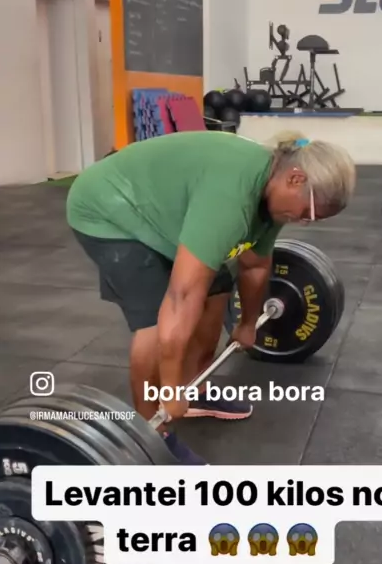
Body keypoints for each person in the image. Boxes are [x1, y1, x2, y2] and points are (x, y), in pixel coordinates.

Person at [66, 130, 355, 463]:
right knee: (155, 317)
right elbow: (182, 296)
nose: (304, 222)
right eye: (307, 213)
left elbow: (255, 263)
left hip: (164, 213)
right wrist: (170, 389)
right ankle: (151, 434)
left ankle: (196, 387)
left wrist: (248, 323)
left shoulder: (271, 195)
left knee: (217, 288)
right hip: (108, 209)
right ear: (295, 178)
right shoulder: (230, 197)